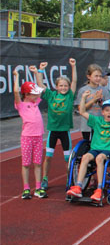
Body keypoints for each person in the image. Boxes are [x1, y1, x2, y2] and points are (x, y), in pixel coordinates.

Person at [67, 91, 110, 201]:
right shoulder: (96, 120)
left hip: (109, 151)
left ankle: (99, 189)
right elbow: (82, 111)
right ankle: (78, 187)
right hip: (95, 149)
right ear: (103, 112)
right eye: (107, 110)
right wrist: (84, 97)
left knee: (99, 158)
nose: (109, 113)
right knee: (85, 157)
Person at [31, 59, 77, 191]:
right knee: (48, 157)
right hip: (53, 130)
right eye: (61, 86)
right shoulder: (51, 95)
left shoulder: (69, 95)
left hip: (65, 131)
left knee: (67, 158)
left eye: (65, 86)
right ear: (56, 87)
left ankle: (70, 178)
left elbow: (74, 81)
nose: (63, 88)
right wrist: (40, 71)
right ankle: (45, 178)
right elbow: (40, 84)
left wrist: (73, 66)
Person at [13, 71, 47, 199]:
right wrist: (16, 77)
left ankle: (38, 188)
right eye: (34, 92)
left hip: (38, 137)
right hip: (27, 137)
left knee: (38, 163)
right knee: (26, 164)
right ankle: (26, 189)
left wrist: (38, 72)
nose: (37, 94)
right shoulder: (21, 105)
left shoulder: (36, 102)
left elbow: (41, 89)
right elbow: (16, 92)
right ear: (27, 94)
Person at [75, 64, 110, 141]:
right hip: (87, 125)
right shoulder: (83, 90)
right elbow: (80, 109)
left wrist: (101, 101)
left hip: (100, 124)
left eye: (100, 76)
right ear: (89, 76)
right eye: (96, 76)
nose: (98, 78)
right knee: (87, 145)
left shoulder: (104, 90)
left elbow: (108, 108)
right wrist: (93, 100)